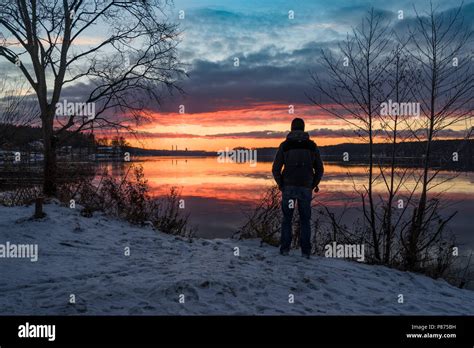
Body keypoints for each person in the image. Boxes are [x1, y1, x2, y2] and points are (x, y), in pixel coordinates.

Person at [272, 118, 324, 258]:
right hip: (305, 188)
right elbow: (320, 169)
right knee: (305, 220)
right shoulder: (312, 146)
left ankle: (285, 250)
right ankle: (305, 252)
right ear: (303, 128)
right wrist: (313, 184)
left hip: (289, 188)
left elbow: (275, 168)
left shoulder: (285, 145)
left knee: (287, 219)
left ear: (292, 128)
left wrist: (281, 184)